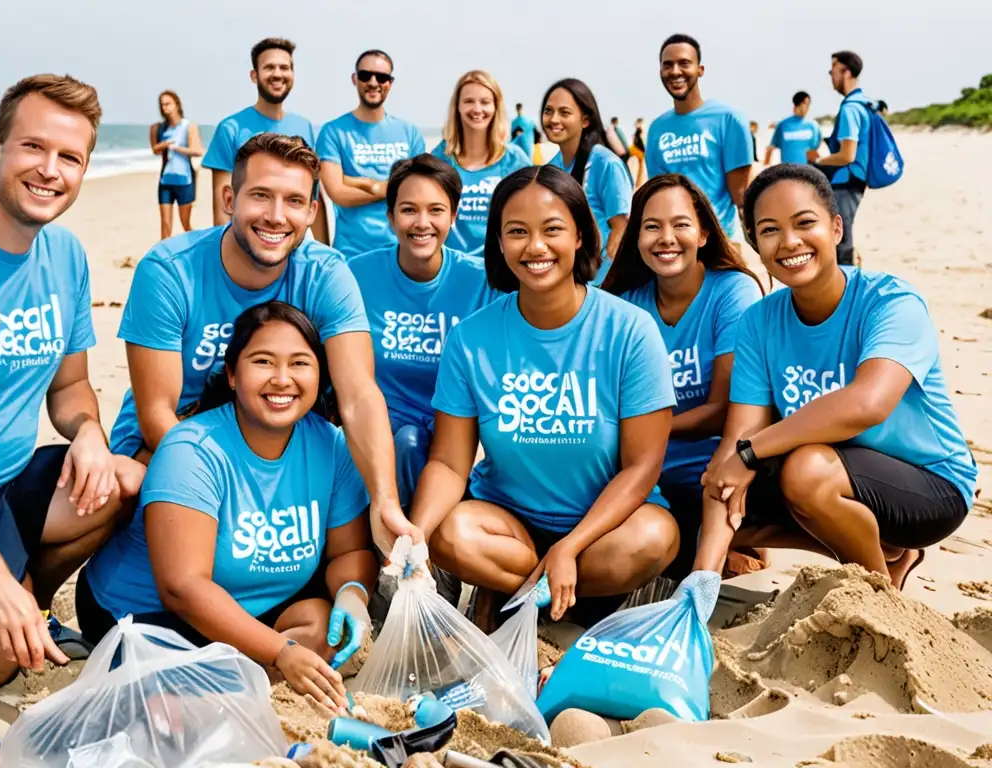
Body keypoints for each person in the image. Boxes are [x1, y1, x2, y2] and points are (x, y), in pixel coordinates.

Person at [104, 133, 416, 556]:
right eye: (261, 196)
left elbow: (359, 395)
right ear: (229, 198)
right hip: (177, 439)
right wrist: (243, 490)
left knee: (350, 484)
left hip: (278, 438)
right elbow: (158, 413)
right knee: (128, 497)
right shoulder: (169, 271)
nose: (275, 215)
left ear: (312, 211)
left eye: (293, 201)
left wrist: (385, 500)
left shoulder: (326, 273)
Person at [410, 165, 678, 630]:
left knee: (654, 540)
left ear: (579, 235)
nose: (535, 247)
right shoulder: (470, 339)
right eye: (517, 232)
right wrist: (418, 534)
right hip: (510, 523)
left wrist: (570, 546)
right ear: (497, 242)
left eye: (552, 230)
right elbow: (451, 464)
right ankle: (542, 593)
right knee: (449, 536)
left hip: (604, 529)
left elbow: (642, 467)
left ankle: (511, 597)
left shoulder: (631, 330)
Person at [693, 164, 977, 591]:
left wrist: (750, 454)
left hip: (929, 483)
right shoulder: (757, 323)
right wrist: (702, 581)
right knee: (722, 500)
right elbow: (739, 441)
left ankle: (879, 599)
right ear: (753, 241)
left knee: (804, 472)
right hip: (834, 474)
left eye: (805, 223)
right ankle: (885, 551)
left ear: (837, 227)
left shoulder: (890, 301)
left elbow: (867, 404)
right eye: (769, 230)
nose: (790, 242)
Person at [79, 302, 375, 709]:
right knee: (180, 707)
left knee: (327, 629)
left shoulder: (330, 444)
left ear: (320, 374)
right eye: (263, 361)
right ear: (233, 375)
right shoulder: (193, 449)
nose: (282, 379)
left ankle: (240, 669)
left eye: (300, 363)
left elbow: (351, 550)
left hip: (253, 607)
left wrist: (353, 593)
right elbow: (182, 588)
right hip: (146, 616)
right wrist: (278, 652)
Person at [0, 75, 144, 689]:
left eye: (69, 156)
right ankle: (4, 597)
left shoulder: (64, 254)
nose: (50, 170)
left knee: (122, 480)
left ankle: (28, 596)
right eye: (33, 148)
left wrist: (90, 433)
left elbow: (69, 389)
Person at [601, 174, 763, 576]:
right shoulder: (623, 304)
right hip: (642, 465)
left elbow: (725, 407)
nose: (666, 238)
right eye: (651, 227)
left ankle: (731, 546)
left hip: (712, 462)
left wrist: (646, 430)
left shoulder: (732, 291)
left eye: (681, 225)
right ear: (636, 238)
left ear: (705, 233)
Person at [348, 155, 500, 508]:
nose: (422, 223)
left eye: (436, 210)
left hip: (455, 435)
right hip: (380, 438)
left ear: (453, 215)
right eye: (408, 210)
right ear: (390, 216)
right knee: (406, 443)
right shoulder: (356, 276)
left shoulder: (483, 280)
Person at [201, 37, 328, 245]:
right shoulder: (231, 128)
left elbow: (312, 196)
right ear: (254, 75)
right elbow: (223, 209)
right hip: (250, 244)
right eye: (269, 67)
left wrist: (322, 251)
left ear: (292, 76)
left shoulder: (304, 126)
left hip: (292, 242)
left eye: (284, 68)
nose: (277, 74)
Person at [317, 50, 426, 260]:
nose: (374, 82)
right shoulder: (333, 131)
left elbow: (417, 191)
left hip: (401, 251)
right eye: (366, 75)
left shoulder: (410, 133)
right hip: (351, 252)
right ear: (354, 79)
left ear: (390, 83)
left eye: (382, 77)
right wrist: (385, 187)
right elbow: (337, 193)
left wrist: (361, 183)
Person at [645, 34, 754, 239]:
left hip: (721, 237)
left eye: (684, 63)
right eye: (668, 65)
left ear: (700, 70)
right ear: (661, 71)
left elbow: (740, 196)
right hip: (676, 240)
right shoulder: (657, 129)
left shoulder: (728, 119)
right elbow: (660, 193)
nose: (675, 71)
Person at [543, 78, 632, 285]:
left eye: (564, 113)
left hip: (598, 286)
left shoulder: (605, 164)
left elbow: (621, 231)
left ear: (585, 120)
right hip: (564, 284)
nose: (554, 119)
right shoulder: (550, 169)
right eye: (548, 111)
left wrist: (599, 287)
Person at [432, 71, 531, 255]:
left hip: (499, 271)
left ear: (495, 107)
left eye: (485, 102)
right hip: (451, 268)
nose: (477, 109)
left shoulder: (515, 160)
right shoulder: (441, 157)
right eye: (469, 101)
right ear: (458, 107)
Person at [816, 50, 872, 266]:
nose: (831, 76)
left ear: (846, 72)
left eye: (833, 71)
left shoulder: (850, 108)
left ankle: (849, 291)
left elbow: (847, 155)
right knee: (842, 236)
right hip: (855, 180)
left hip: (846, 181)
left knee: (841, 238)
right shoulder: (863, 103)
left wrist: (818, 164)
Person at [150, 90, 204, 240]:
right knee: (165, 227)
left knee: (185, 224)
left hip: (185, 180)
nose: (164, 108)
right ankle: (163, 261)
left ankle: (197, 248)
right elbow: (155, 149)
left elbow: (198, 151)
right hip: (165, 181)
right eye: (162, 105)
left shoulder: (189, 126)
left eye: (168, 104)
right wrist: (165, 144)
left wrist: (177, 148)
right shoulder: (158, 128)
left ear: (177, 105)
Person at [764, 92, 823, 166]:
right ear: (798, 103)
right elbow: (771, 148)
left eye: (809, 104)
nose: (808, 107)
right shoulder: (783, 125)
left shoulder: (814, 126)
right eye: (806, 103)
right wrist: (765, 168)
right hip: (787, 172)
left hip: (808, 172)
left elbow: (817, 150)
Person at [628, 118, 647, 186]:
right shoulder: (639, 132)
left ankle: (638, 184)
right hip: (637, 151)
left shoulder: (638, 132)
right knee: (641, 167)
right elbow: (640, 143)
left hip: (636, 151)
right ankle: (638, 184)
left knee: (640, 167)